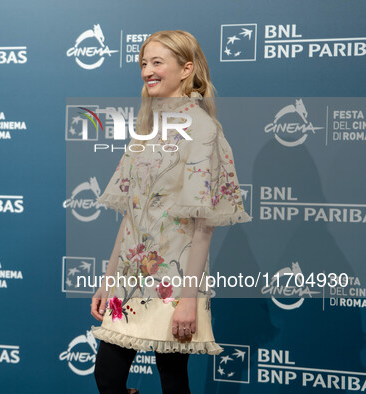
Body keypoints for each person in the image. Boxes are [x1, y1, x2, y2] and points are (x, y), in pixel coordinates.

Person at [90, 30, 252, 394]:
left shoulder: (203, 130)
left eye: (157, 62)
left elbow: (203, 226)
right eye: (144, 63)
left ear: (186, 69)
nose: (147, 70)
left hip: (176, 284)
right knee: (108, 379)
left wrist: (188, 300)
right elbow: (131, 217)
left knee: (173, 381)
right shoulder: (146, 131)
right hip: (131, 281)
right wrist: (107, 279)